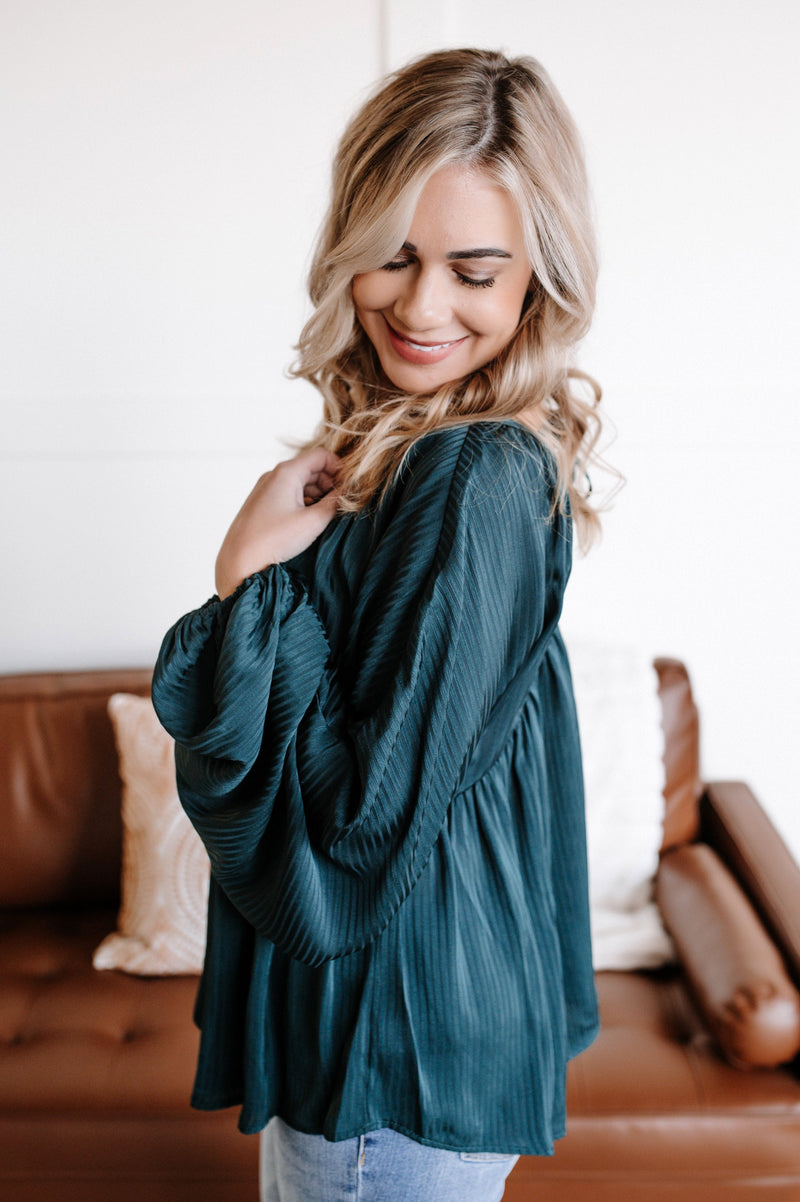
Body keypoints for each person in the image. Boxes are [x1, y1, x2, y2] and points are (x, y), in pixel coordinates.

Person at [152, 46, 604, 1202]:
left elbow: (352, 838)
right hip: (396, 1045)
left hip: (387, 1053)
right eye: (393, 255)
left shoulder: (474, 481)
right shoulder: (421, 454)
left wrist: (247, 575)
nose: (419, 303)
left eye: (473, 269)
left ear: (536, 280)